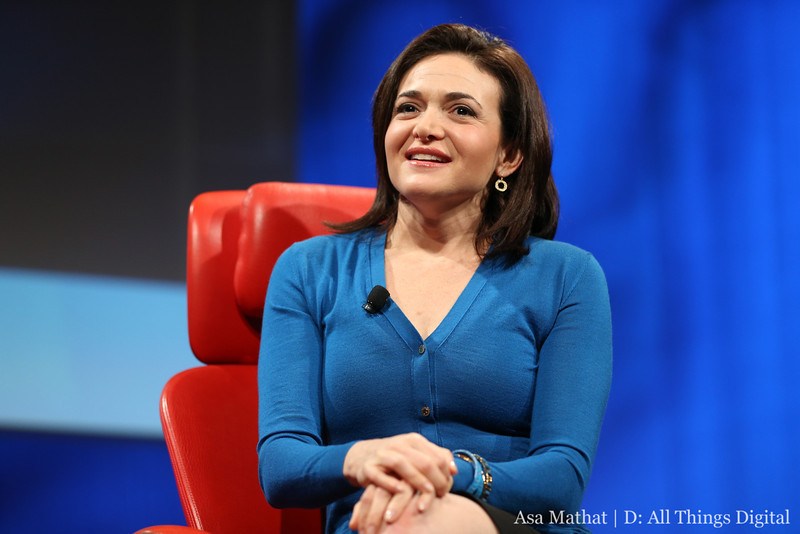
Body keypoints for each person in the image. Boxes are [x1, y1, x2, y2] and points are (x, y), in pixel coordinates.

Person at [257, 23, 612, 534]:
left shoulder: (567, 277)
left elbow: (562, 477)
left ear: (509, 155)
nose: (425, 127)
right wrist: (362, 458)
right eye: (408, 108)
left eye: (461, 111)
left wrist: (448, 474)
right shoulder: (309, 270)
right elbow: (281, 466)